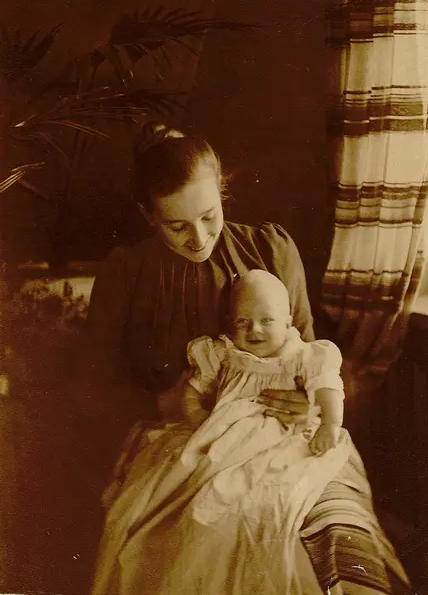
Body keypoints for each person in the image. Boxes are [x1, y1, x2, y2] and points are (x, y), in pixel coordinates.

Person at [83, 124, 411, 594]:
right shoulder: (126, 273)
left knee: (326, 551)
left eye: (209, 216)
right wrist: (162, 403)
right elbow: (92, 389)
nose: (198, 238)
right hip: (180, 436)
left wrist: (309, 404)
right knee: (195, 542)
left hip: (286, 435)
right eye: (177, 225)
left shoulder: (269, 250)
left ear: (222, 191)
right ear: (148, 215)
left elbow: (308, 355)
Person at [181, 269, 345, 459]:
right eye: (242, 321)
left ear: (287, 324)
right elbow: (192, 391)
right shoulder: (224, 355)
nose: (254, 329)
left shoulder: (303, 357)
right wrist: (197, 415)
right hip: (226, 442)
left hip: (284, 442)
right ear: (231, 323)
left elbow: (328, 390)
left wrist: (330, 425)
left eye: (266, 320)